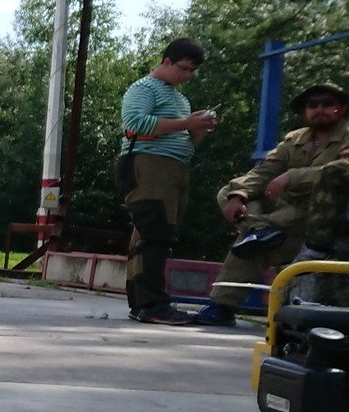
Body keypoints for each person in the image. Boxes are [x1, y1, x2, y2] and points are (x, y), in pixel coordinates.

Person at [196, 82, 347, 325]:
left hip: (324, 218)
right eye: (313, 104)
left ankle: (223, 304)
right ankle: (257, 230)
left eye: (328, 103)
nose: (320, 109)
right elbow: (265, 172)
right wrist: (240, 195)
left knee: (258, 240)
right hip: (285, 215)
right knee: (231, 192)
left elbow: (342, 171)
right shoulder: (295, 139)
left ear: (341, 108)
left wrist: (293, 175)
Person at [116, 36, 215, 325]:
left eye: (193, 71)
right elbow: (134, 125)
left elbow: (183, 137)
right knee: (155, 234)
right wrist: (187, 123)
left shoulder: (179, 97)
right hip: (148, 166)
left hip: (172, 169)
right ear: (167, 61)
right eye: (184, 68)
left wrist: (199, 129)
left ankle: (142, 303)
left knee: (150, 235)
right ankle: (154, 305)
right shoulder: (144, 88)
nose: (188, 76)